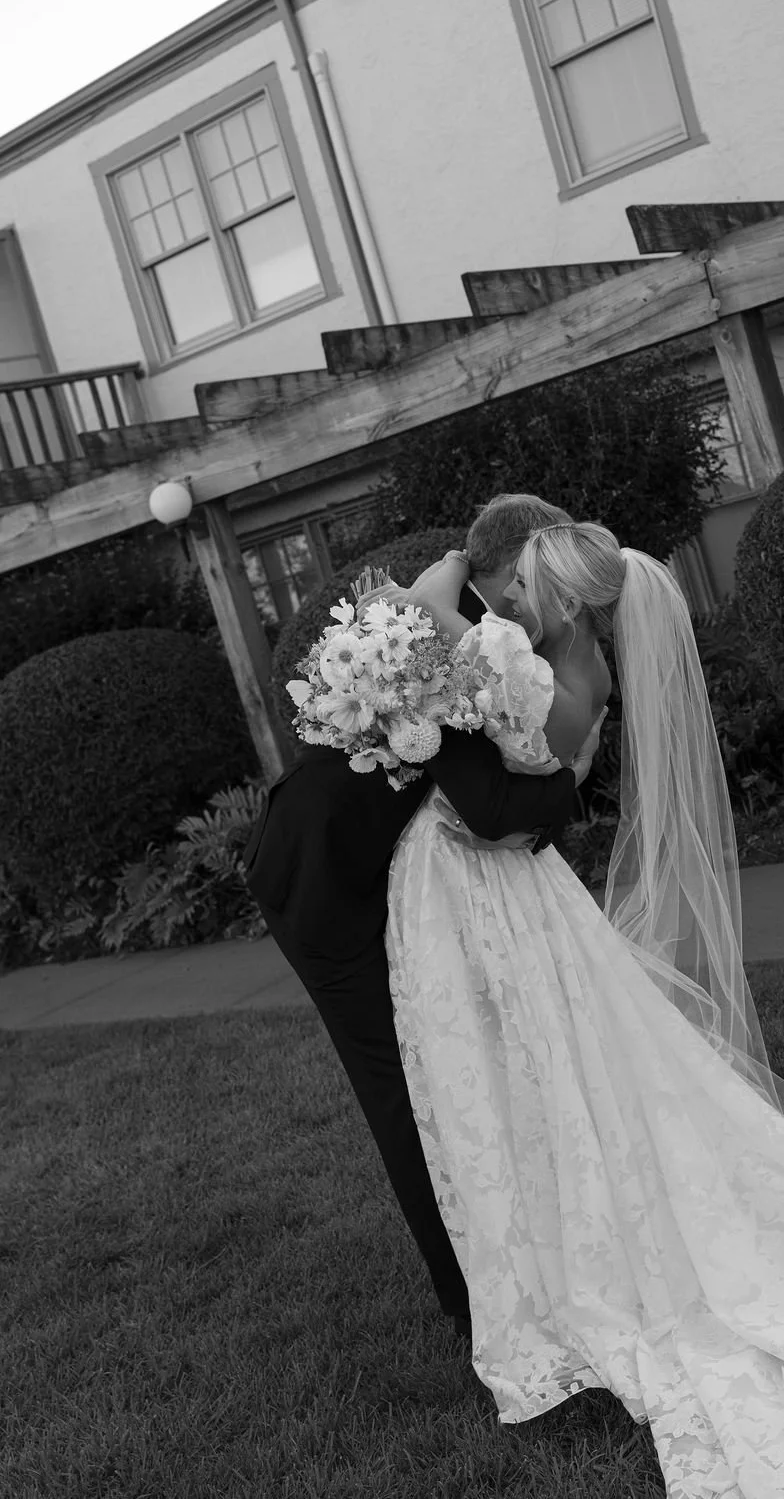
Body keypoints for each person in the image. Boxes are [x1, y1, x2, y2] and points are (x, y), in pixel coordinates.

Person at [384, 523, 784, 1498]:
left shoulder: (523, 667)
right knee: (561, 1066)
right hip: (508, 892)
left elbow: (477, 737)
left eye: (518, 583)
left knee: (551, 1066)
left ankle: (589, 1261)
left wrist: (429, 610)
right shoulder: (558, 662)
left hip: (494, 886)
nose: (503, 595)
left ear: (551, 597)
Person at [244, 493, 588, 1341]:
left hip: (347, 856)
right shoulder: (445, 635)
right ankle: (467, 1292)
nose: (533, 605)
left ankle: (503, 1247)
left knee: (438, 1062)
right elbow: (484, 802)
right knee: (399, 1084)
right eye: (531, 582)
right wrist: (570, 785)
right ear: (509, 568)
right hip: (319, 883)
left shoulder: (444, 612)